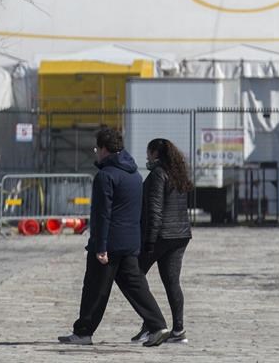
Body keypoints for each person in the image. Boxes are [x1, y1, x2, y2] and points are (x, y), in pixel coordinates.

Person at [58, 127, 171, 347]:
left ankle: (83, 332)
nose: (96, 153)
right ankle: (158, 325)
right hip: (129, 242)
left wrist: (100, 247)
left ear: (104, 149)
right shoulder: (134, 175)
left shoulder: (105, 176)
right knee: (136, 287)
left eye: (96, 149)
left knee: (94, 288)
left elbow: (102, 215)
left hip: (109, 243)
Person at [128, 137, 194, 345]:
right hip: (181, 234)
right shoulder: (178, 173)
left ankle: (153, 325)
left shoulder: (158, 174)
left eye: (148, 153)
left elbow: (155, 210)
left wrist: (149, 241)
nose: (146, 157)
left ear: (155, 153)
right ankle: (178, 329)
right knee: (172, 282)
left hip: (161, 235)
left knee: (134, 276)